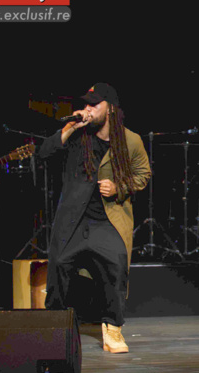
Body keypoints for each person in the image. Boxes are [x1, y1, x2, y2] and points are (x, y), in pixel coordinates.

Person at [38, 83, 150, 353]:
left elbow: (143, 175)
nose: (87, 108)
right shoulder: (77, 136)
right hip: (73, 219)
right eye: (85, 104)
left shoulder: (130, 140)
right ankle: (54, 328)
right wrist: (70, 128)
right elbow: (43, 153)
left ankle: (113, 328)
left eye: (94, 104)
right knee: (60, 265)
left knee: (115, 263)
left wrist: (119, 187)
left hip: (107, 219)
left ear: (110, 108)